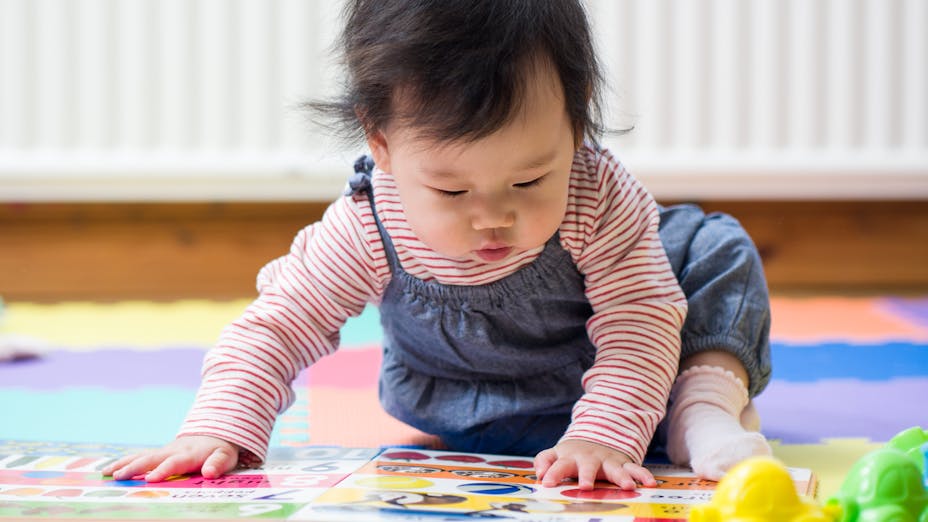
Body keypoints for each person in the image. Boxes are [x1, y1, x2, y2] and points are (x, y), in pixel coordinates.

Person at [104, 0, 771, 490]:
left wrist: (603, 435)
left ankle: (703, 405)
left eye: (530, 178)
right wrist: (220, 426)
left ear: (577, 114)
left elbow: (640, 321)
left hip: (624, 403)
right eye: (452, 192)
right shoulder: (369, 221)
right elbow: (279, 323)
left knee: (710, 244)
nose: (494, 216)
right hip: (464, 419)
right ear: (381, 142)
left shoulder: (598, 195)